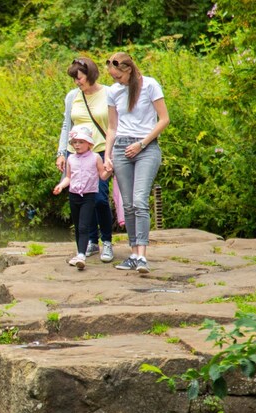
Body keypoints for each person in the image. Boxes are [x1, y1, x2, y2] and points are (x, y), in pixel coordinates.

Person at [104, 52, 170, 274]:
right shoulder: (114, 91)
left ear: (129, 70)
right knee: (128, 204)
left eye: (118, 76)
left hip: (146, 148)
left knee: (140, 200)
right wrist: (107, 156)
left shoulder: (150, 85)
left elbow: (164, 119)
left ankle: (142, 256)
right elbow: (112, 127)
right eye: (113, 77)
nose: (116, 81)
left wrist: (141, 144)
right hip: (121, 149)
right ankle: (133, 254)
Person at [56, 57, 116, 263]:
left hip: (100, 151)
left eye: (79, 78)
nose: (76, 82)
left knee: (99, 198)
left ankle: (106, 241)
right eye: (74, 78)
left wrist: (111, 154)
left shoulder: (109, 93)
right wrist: (61, 153)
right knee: (81, 197)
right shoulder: (72, 96)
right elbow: (67, 125)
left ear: (90, 75)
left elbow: (115, 124)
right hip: (75, 154)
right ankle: (92, 241)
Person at [53, 125, 112, 270]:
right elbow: (69, 177)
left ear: (89, 143)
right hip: (74, 195)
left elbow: (102, 175)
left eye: (81, 142)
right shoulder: (71, 158)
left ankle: (81, 256)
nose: (77, 145)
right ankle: (80, 252)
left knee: (84, 225)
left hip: (88, 195)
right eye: (75, 142)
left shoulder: (95, 157)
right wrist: (61, 186)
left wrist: (110, 170)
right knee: (78, 226)